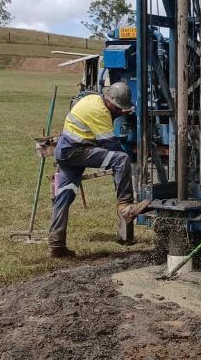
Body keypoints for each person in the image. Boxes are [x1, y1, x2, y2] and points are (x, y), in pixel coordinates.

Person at [48, 81, 141, 258]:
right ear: (110, 102)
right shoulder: (100, 112)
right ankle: (125, 205)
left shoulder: (92, 99)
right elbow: (111, 144)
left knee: (64, 197)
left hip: (66, 152)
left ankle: (56, 245)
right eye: (117, 109)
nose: (118, 112)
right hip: (76, 152)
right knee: (121, 159)